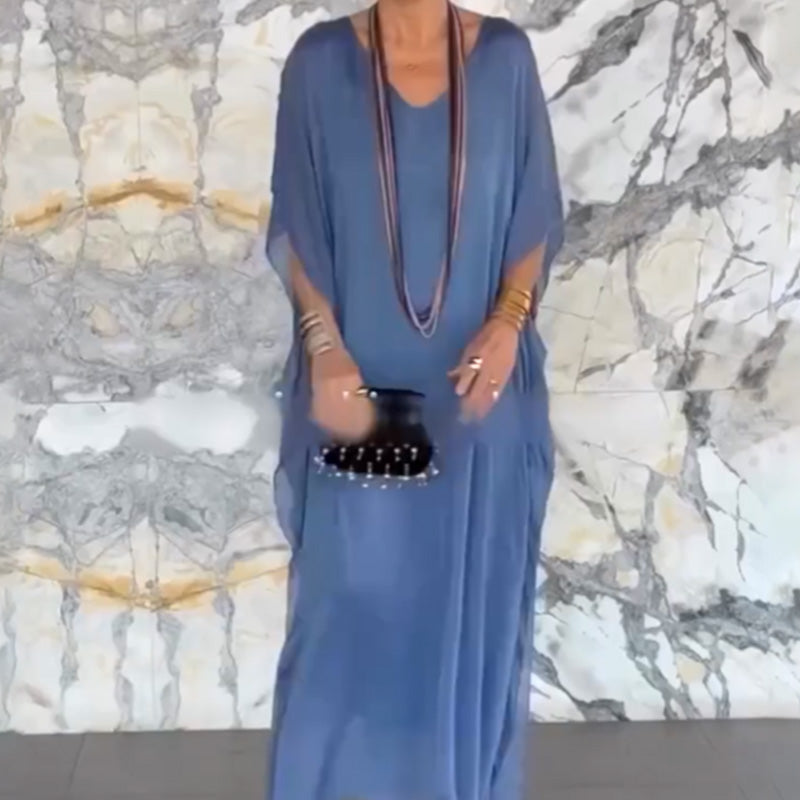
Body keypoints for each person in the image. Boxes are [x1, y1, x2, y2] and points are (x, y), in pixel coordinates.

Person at [265, 0, 563, 796]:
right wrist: (323, 346)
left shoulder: (503, 60)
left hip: (477, 391)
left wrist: (508, 322)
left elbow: (535, 210)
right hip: (360, 392)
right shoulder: (320, 64)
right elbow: (297, 222)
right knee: (348, 627)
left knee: (464, 624)